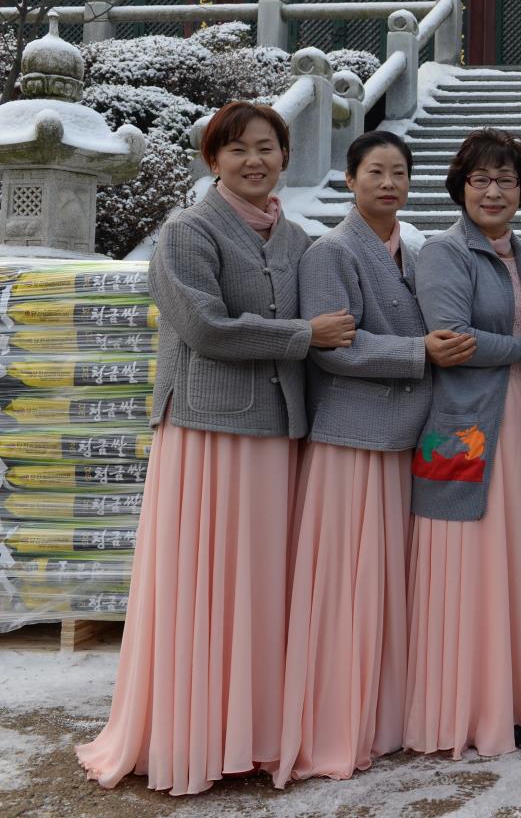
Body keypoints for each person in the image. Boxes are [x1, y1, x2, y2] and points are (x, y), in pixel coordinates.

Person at [77, 102, 355, 796]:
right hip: (207, 432)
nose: (254, 161)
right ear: (213, 161)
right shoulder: (187, 231)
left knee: (261, 587)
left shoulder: (296, 238)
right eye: (237, 151)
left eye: (266, 147)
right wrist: (302, 337)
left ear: (285, 157)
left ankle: (256, 733)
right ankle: (195, 732)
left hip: (275, 430)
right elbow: (205, 327)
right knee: (207, 584)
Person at [277, 133, 475, 785]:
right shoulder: (330, 252)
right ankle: (337, 720)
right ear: (351, 179)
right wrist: (420, 351)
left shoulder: (411, 253)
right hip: (351, 440)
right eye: (374, 172)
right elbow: (332, 348)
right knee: (346, 587)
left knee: (387, 585)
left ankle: (385, 714)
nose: (388, 183)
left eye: (398, 173)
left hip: (403, 437)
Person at [405, 128, 521, 758]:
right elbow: (451, 339)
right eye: (481, 179)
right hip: (464, 423)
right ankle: (463, 708)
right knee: (466, 556)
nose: (493, 191)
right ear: (460, 187)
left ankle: (516, 699)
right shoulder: (444, 253)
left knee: (514, 554)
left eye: (506, 180)